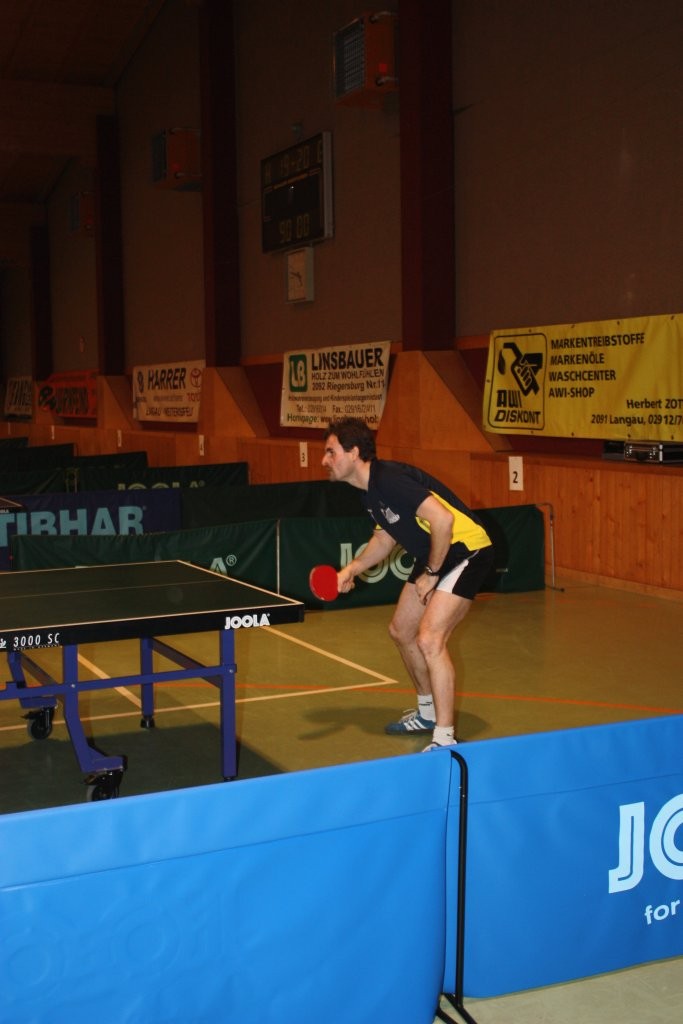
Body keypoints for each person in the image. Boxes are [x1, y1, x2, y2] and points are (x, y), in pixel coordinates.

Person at [322, 417, 494, 751]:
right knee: (401, 630)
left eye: (331, 452)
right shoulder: (369, 493)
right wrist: (351, 570)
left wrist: (431, 571)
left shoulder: (390, 480)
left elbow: (442, 519)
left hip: (467, 550)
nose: (324, 460)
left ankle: (445, 738)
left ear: (353, 453)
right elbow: (384, 539)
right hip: (435, 551)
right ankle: (427, 713)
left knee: (430, 639)